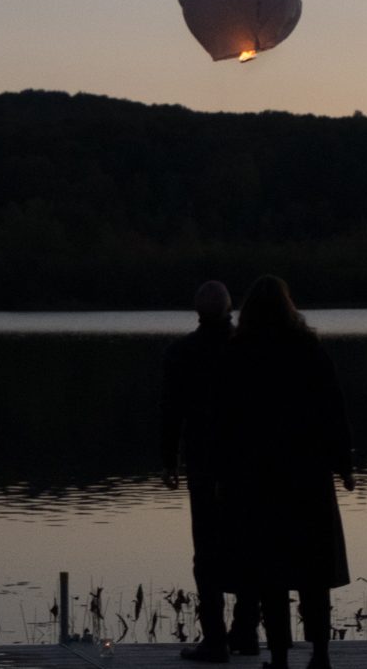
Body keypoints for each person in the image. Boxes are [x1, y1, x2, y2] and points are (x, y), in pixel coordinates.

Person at [226, 276, 354, 669]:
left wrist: (225, 474)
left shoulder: (241, 353)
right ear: (288, 306)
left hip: (260, 477)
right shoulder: (309, 349)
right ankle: (321, 654)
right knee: (314, 572)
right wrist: (344, 465)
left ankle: (279, 656)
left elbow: (228, 420)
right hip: (309, 476)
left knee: (271, 574)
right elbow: (334, 410)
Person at [161, 280, 262, 661]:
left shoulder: (181, 353)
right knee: (249, 547)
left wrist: (168, 460)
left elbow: (171, 414)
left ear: (197, 311)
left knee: (207, 554)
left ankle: (216, 639)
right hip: (248, 467)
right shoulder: (251, 350)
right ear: (229, 309)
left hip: (203, 465)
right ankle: (247, 632)